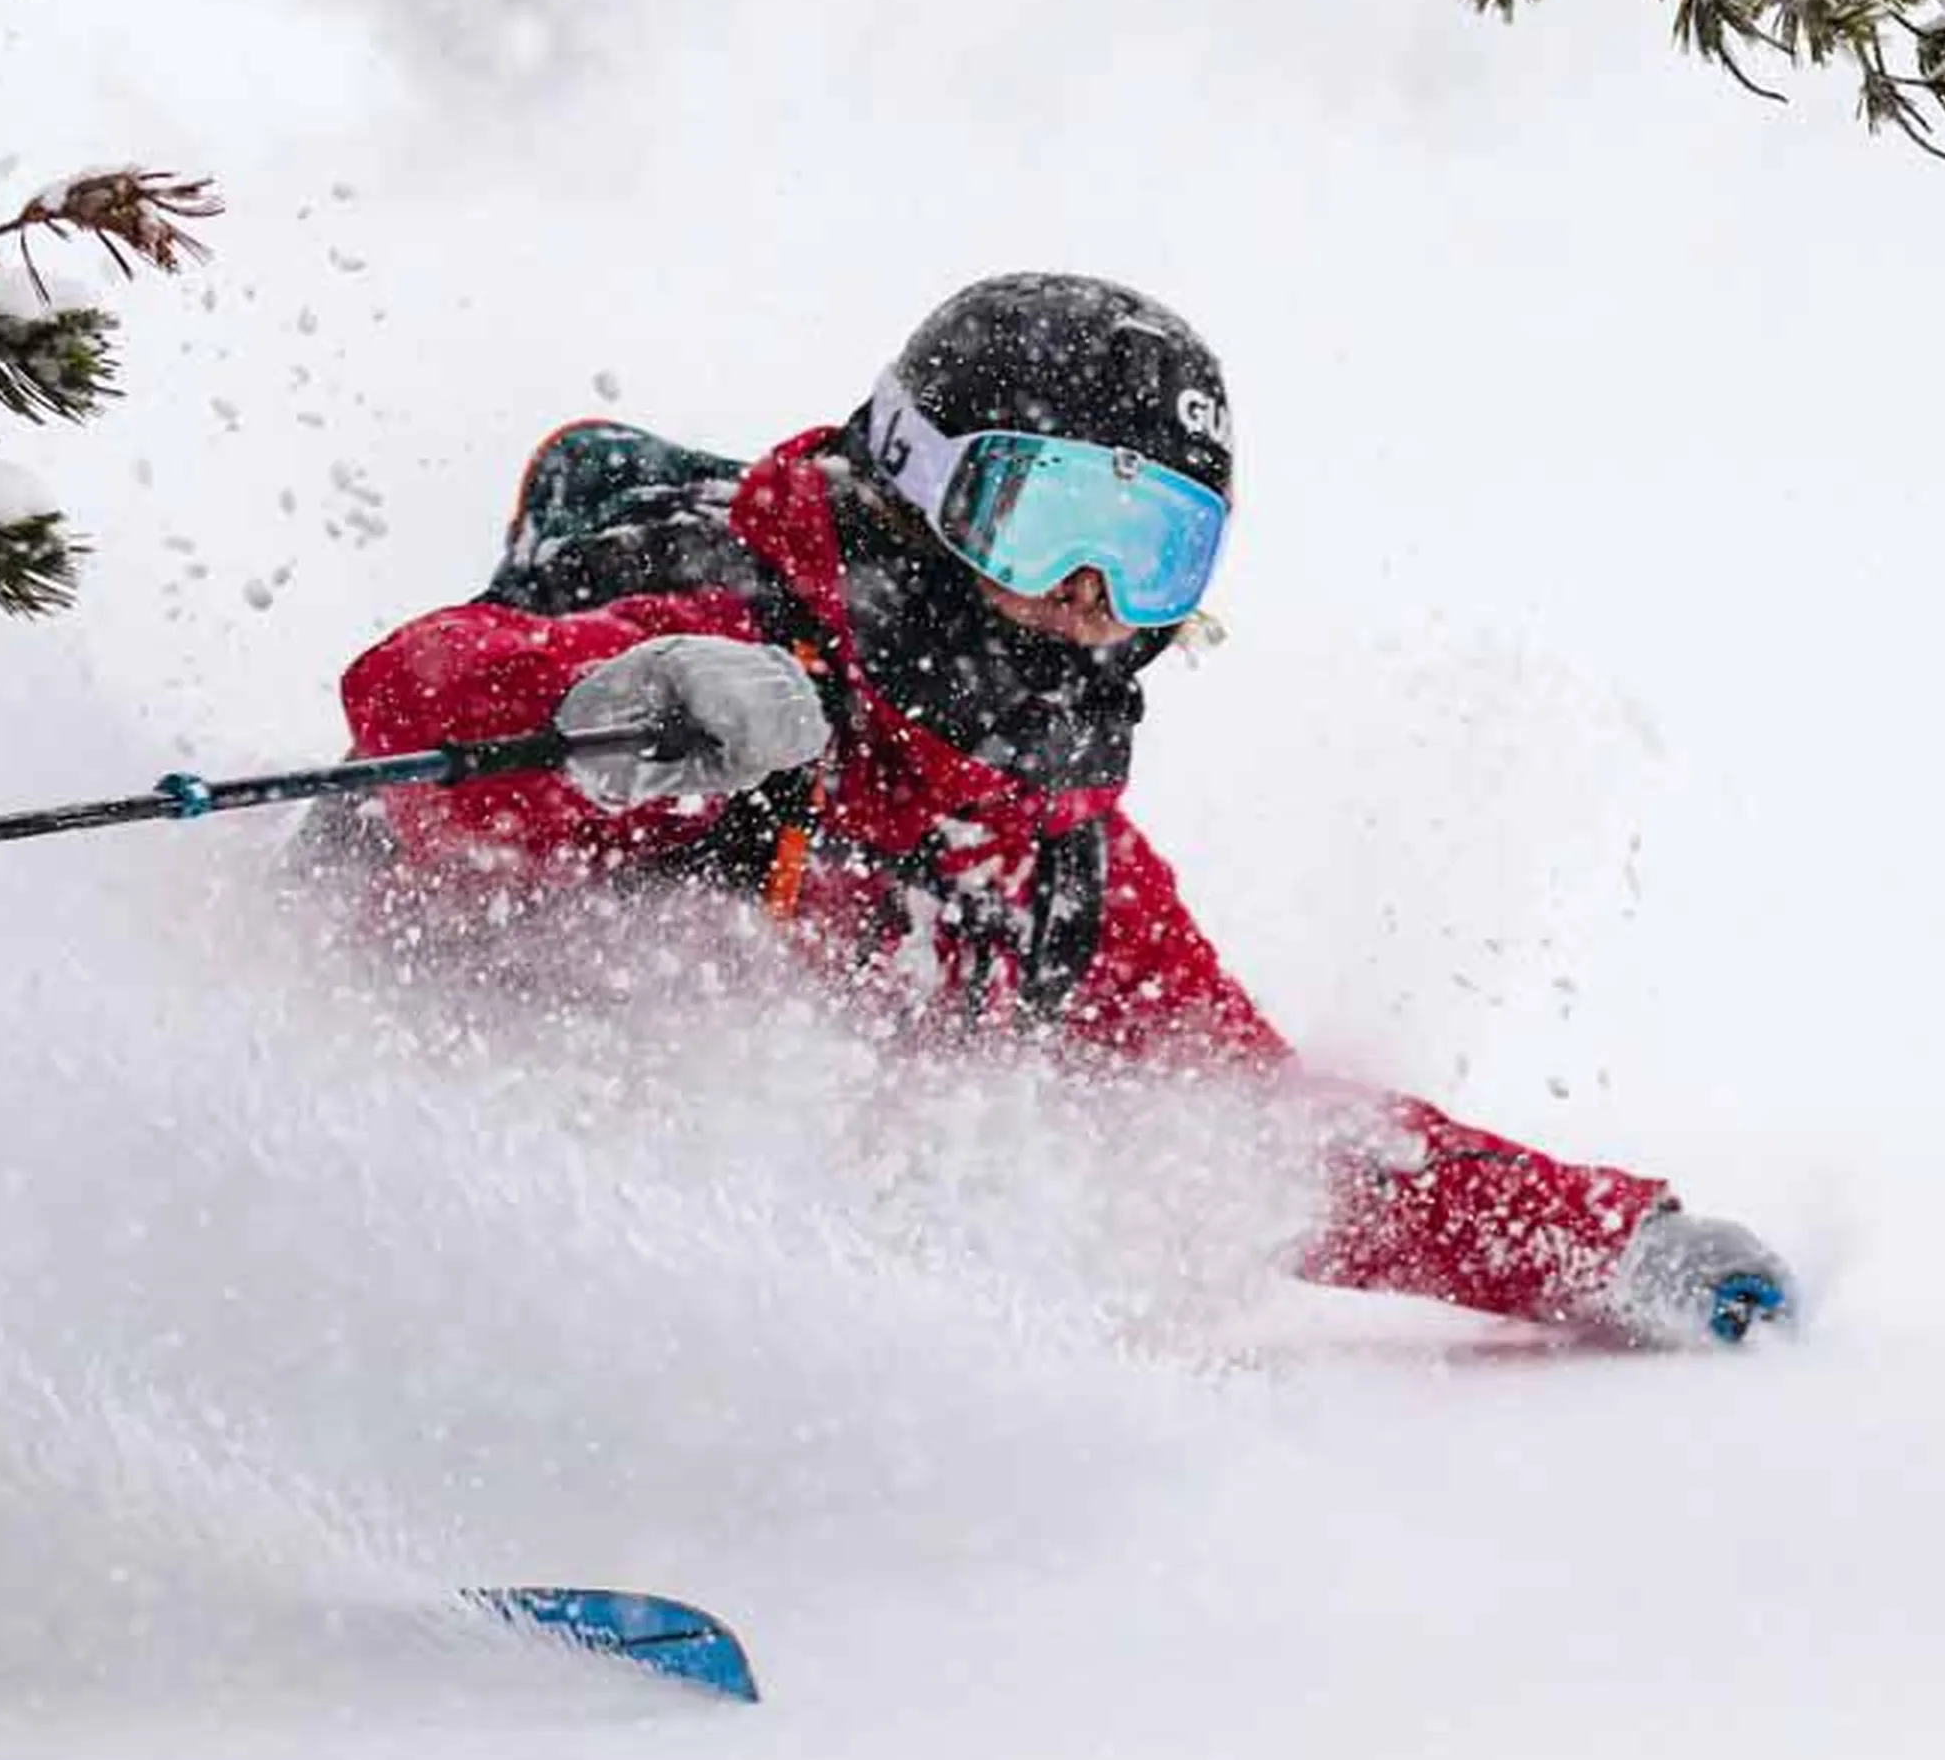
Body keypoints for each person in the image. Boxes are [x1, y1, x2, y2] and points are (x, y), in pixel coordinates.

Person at [329, 272, 1790, 1345]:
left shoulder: (1040, 854)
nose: (1093, 596)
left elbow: (1249, 1133)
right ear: (919, 482)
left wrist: (1600, 1246)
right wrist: (623, 698)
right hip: (369, 1141)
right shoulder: (735, 631)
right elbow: (407, 694)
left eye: (1153, 549)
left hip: (652, 1301)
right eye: (1050, 518)